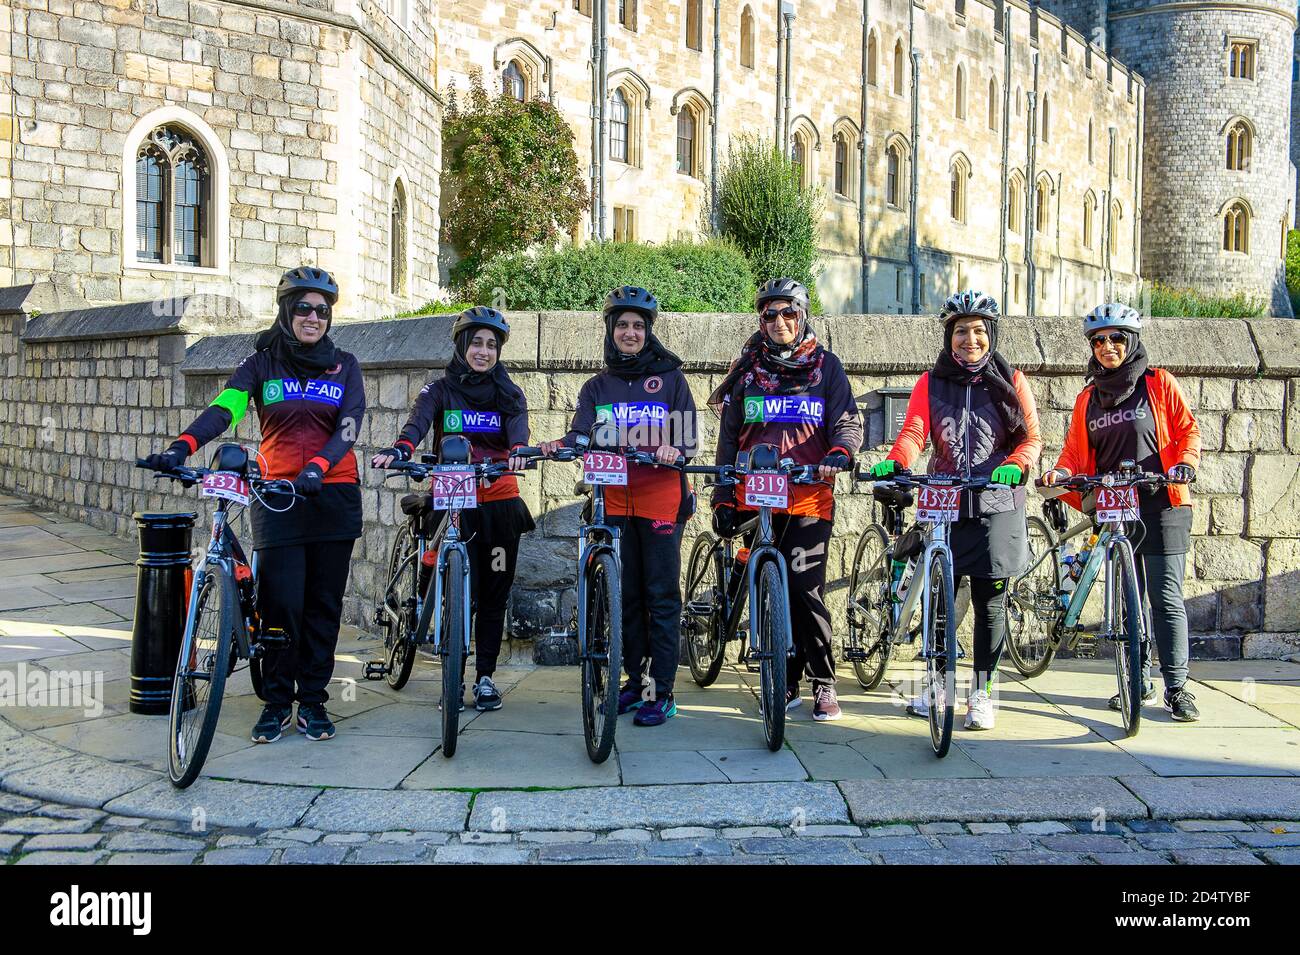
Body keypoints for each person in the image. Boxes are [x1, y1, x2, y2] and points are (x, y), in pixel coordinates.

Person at [144, 267, 365, 744]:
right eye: (303, 307)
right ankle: (276, 701)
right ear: (286, 311)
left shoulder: (344, 364)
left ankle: (313, 701)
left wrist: (319, 468)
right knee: (280, 602)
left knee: (322, 605)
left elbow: (348, 428)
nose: (313, 317)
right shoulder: (261, 364)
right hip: (278, 495)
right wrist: (183, 446)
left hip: (333, 493)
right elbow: (226, 408)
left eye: (322, 310)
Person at [871, 290, 1042, 731]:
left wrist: (1014, 465)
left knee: (989, 600)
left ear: (992, 335)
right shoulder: (932, 382)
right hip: (944, 495)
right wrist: (899, 459)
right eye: (962, 331)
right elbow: (914, 431)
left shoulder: (1012, 380)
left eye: (980, 331)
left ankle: (983, 692)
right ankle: (936, 684)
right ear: (949, 336)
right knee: (941, 597)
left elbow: (1031, 439)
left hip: (995, 499)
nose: (971, 339)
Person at [539, 286, 698, 727]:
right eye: (623, 325)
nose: (630, 332)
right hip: (614, 500)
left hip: (661, 498)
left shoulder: (670, 379)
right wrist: (561, 444)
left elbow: (686, 439)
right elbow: (581, 434)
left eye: (638, 326)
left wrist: (673, 449)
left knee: (660, 596)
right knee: (625, 596)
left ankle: (661, 691)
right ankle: (635, 681)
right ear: (611, 331)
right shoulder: (597, 386)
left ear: (649, 332)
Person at [709, 278, 863, 722]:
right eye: (770, 315)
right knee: (759, 582)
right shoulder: (747, 371)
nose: (780, 322)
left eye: (789, 313)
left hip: (808, 496)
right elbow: (728, 437)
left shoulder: (826, 368)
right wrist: (722, 494)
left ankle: (823, 680)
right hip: (755, 495)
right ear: (761, 321)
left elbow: (847, 422)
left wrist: (840, 452)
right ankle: (784, 680)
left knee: (803, 589)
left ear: (803, 315)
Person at [1041, 303, 1201, 721]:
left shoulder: (1158, 384)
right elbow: (1075, 453)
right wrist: (1059, 472)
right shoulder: (1088, 399)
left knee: (1164, 597)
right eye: (1098, 340)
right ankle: (1135, 680)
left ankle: (1177, 687)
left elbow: (1187, 430)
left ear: (1131, 342)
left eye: (1116, 338)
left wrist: (1186, 462)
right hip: (1115, 503)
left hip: (1161, 499)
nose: (1107, 347)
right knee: (1129, 599)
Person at [371, 307, 535, 712]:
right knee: (440, 580)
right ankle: (447, 668)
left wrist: (517, 452)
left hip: (498, 502)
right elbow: (416, 426)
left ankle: (484, 679)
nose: (483, 351)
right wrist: (401, 450)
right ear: (462, 346)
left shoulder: (509, 393)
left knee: (494, 596)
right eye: (476, 343)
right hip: (453, 495)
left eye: (491, 345)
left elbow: (518, 429)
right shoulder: (437, 391)